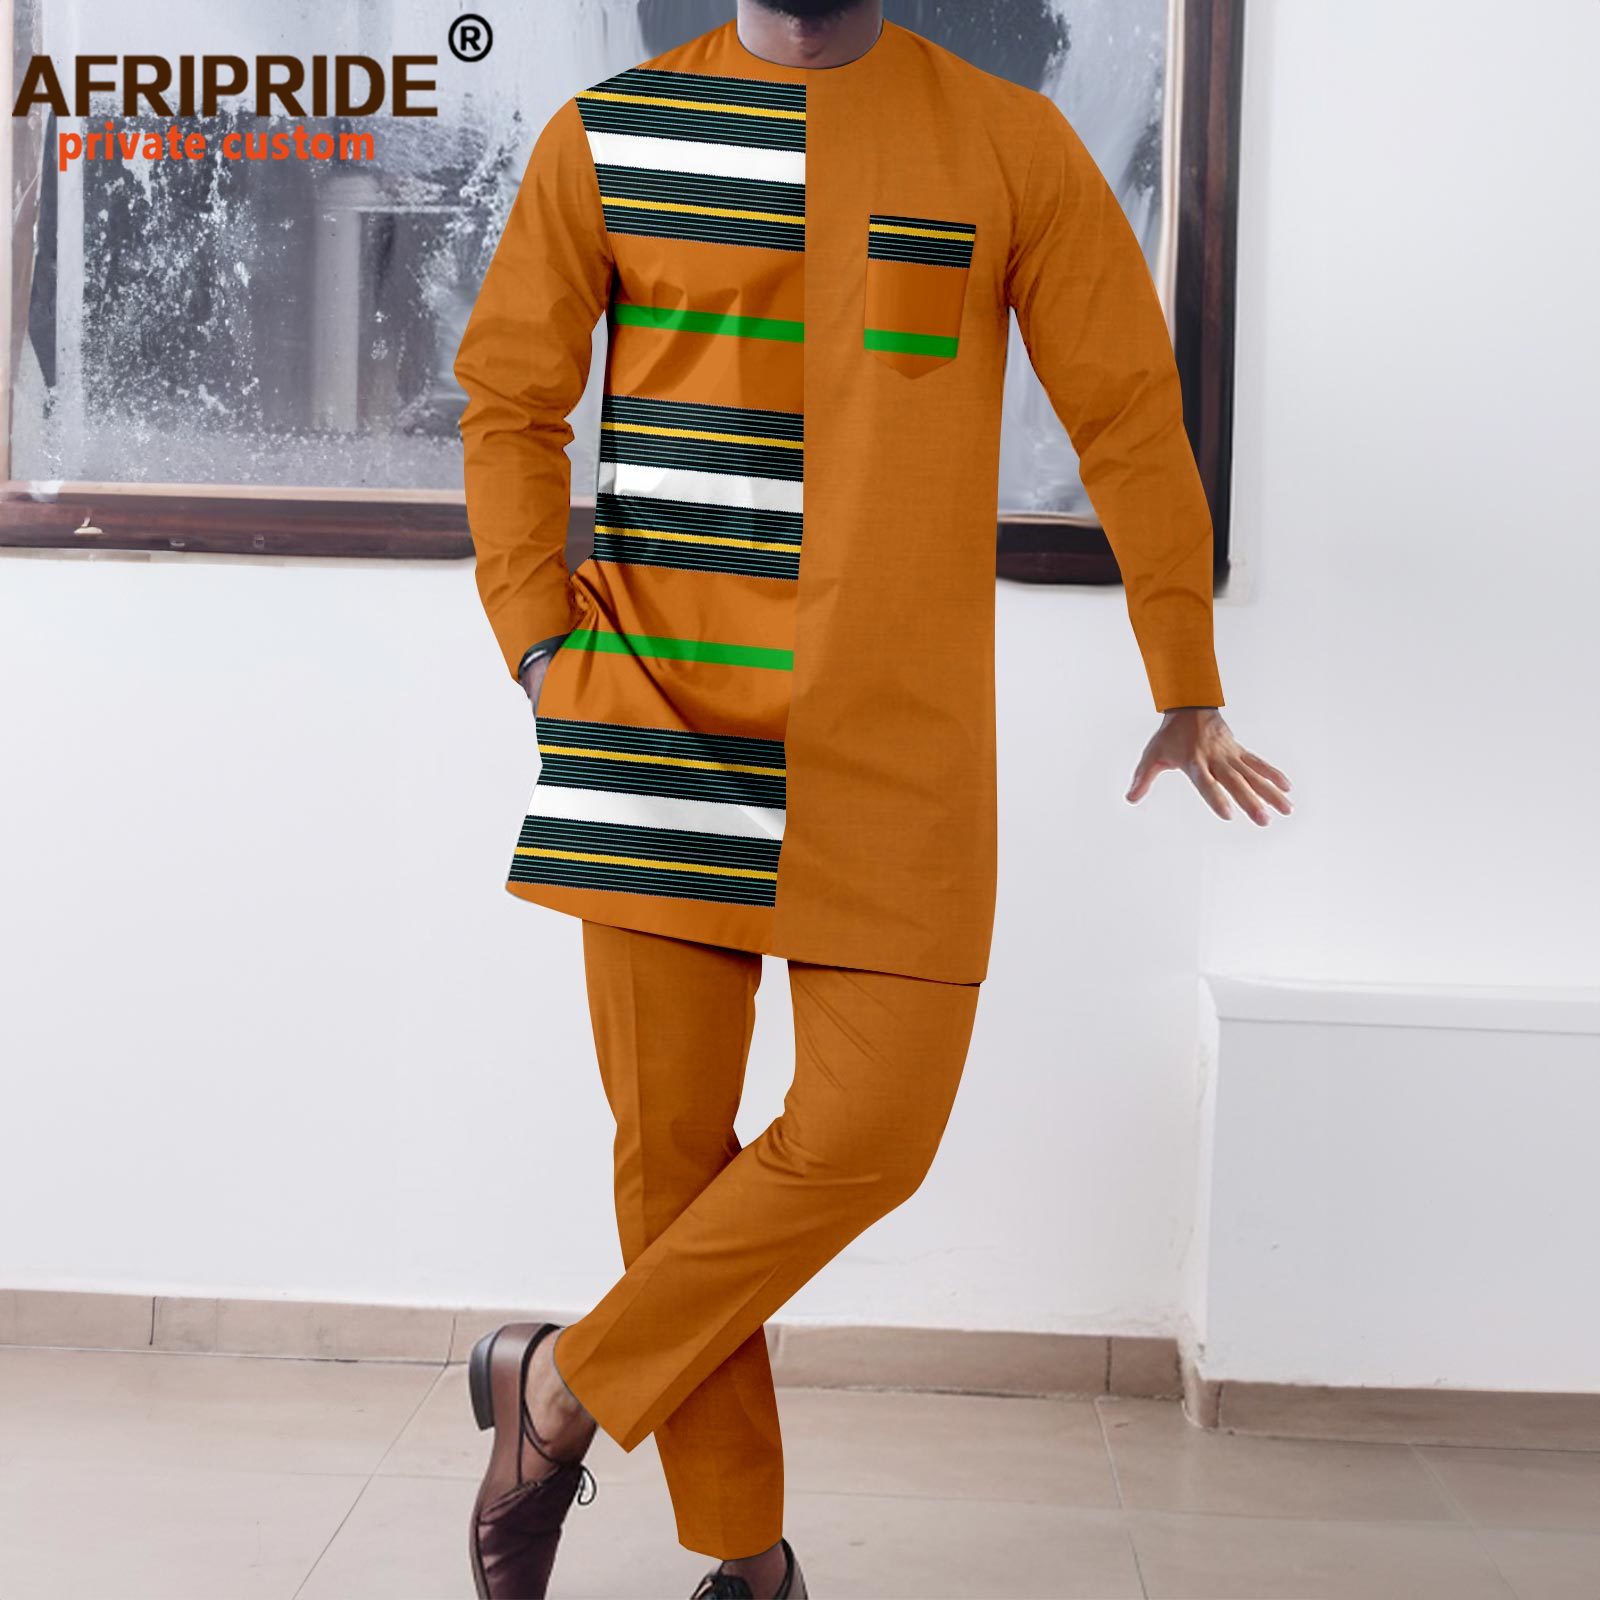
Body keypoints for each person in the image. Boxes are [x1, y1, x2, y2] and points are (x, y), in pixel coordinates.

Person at [453, 1, 1291, 1594]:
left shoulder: (1008, 143)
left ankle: (553, 1390)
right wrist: (539, 646)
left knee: (874, 1133)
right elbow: (509, 397)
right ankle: (748, 1563)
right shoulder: (609, 138)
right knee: (672, 1161)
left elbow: (1125, 407)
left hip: (894, 739)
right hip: (652, 710)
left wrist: (1183, 670)